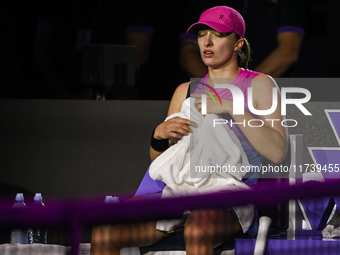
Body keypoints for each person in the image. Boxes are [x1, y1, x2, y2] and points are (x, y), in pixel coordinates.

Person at [91, 6, 288, 255]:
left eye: (217, 34)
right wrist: (158, 136)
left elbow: (278, 151)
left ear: (238, 44)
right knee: (105, 230)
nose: (206, 42)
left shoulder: (260, 84)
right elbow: (166, 162)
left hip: (230, 192)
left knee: (197, 230)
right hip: (178, 191)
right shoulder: (184, 90)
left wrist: (231, 107)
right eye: (202, 34)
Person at [179, 0, 305, 79]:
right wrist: (214, 87)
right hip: (213, 92)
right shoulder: (183, 91)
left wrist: (243, 86)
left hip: (269, 92)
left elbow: (289, 51)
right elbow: (188, 49)